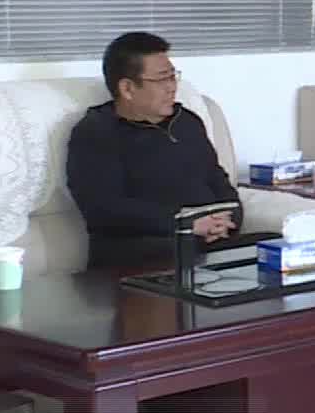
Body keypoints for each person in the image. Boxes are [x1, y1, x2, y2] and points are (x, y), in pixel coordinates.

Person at [66, 32, 244, 270]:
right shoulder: (96, 132)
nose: (172, 87)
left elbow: (217, 179)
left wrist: (229, 218)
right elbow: (103, 209)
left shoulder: (187, 122)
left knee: (272, 247)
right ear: (127, 88)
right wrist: (186, 224)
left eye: (173, 76)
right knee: (183, 259)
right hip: (141, 252)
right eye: (162, 79)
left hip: (207, 243)